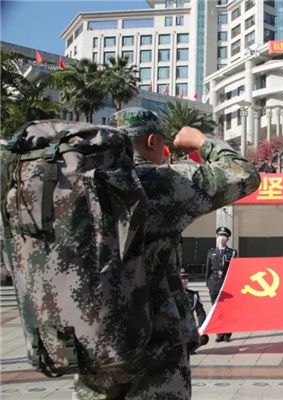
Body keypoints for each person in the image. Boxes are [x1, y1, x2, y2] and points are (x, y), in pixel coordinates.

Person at [76, 108, 260, 400]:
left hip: (89, 337)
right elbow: (245, 175)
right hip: (154, 341)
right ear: (152, 141)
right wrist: (201, 141)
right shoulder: (159, 182)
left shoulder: (73, 187)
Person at [206, 226, 237, 342]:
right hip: (214, 283)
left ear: (228, 238)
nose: (222, 238)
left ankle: (227, 333)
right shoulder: (211, 252)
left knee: (227, 310)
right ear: (216, 237)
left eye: (224, 236)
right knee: (216, 310)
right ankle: (219, 334)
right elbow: (208, 270)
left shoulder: (232, 252)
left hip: (227, 284)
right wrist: (207, 285)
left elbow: (235, 269)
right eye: (220, 235)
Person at [181, 268, 209, 347]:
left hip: (189, 326)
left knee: (203, 338)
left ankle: (190, 349)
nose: (184, 280)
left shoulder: (193, 295)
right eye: (182, 278)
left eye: (185, 278)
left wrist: (201, 327)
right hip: (176, 327)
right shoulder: (172, 295)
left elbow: (201, 313)